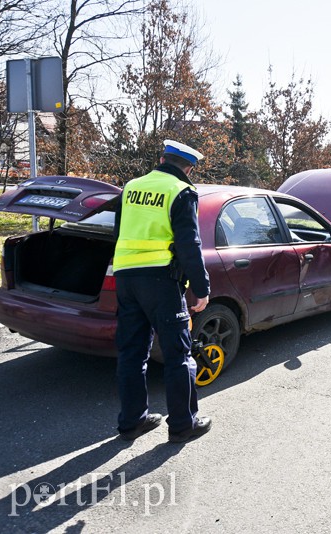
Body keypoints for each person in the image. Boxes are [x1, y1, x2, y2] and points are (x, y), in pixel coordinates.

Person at [114, 139, 212, 443]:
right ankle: (184, 425)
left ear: (161, 158)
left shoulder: (131, 187)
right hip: (161, 282)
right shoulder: (182, 191)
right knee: (178, 356)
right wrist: (201, 288)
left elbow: (118, 233)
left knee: (131, 353)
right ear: (189, 169)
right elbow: (189, 244)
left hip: (125, 278)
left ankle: (132, 422)